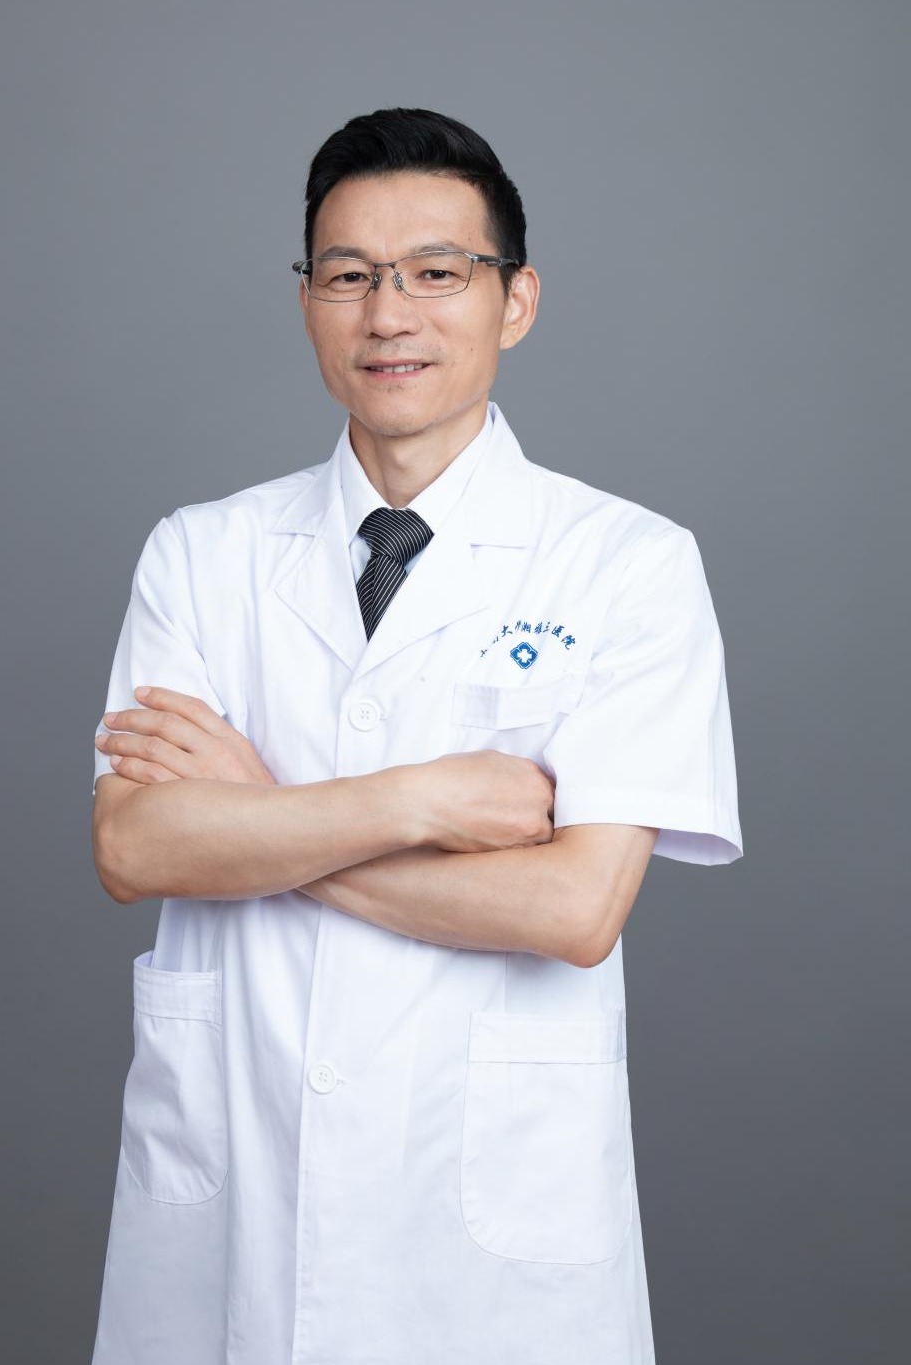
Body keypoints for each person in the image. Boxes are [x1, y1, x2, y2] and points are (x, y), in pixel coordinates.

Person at [89, 107, 742, 1365]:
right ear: (307, 304)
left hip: (489, 1249)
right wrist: (422, 799)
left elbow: (571, 910)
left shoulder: (628, 564)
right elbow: (133, 848)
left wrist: (258, 820)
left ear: (515, 301)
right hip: (234, 1220)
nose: (389, 315)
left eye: (437, 273)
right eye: (349, 277)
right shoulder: (203, 554)